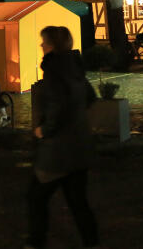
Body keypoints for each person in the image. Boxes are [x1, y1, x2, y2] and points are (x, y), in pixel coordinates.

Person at [26, 26, 98, 249]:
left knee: (36, 197)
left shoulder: (55, 71)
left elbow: (57, 106)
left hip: (57, 151)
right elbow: (90, 97)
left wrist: (44, 129)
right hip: (78, 147)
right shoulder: (75, 69)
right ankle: (91, 242)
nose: (41, 46)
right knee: (78, 201)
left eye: (43, 43)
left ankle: (36, 242)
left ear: (51, 46)